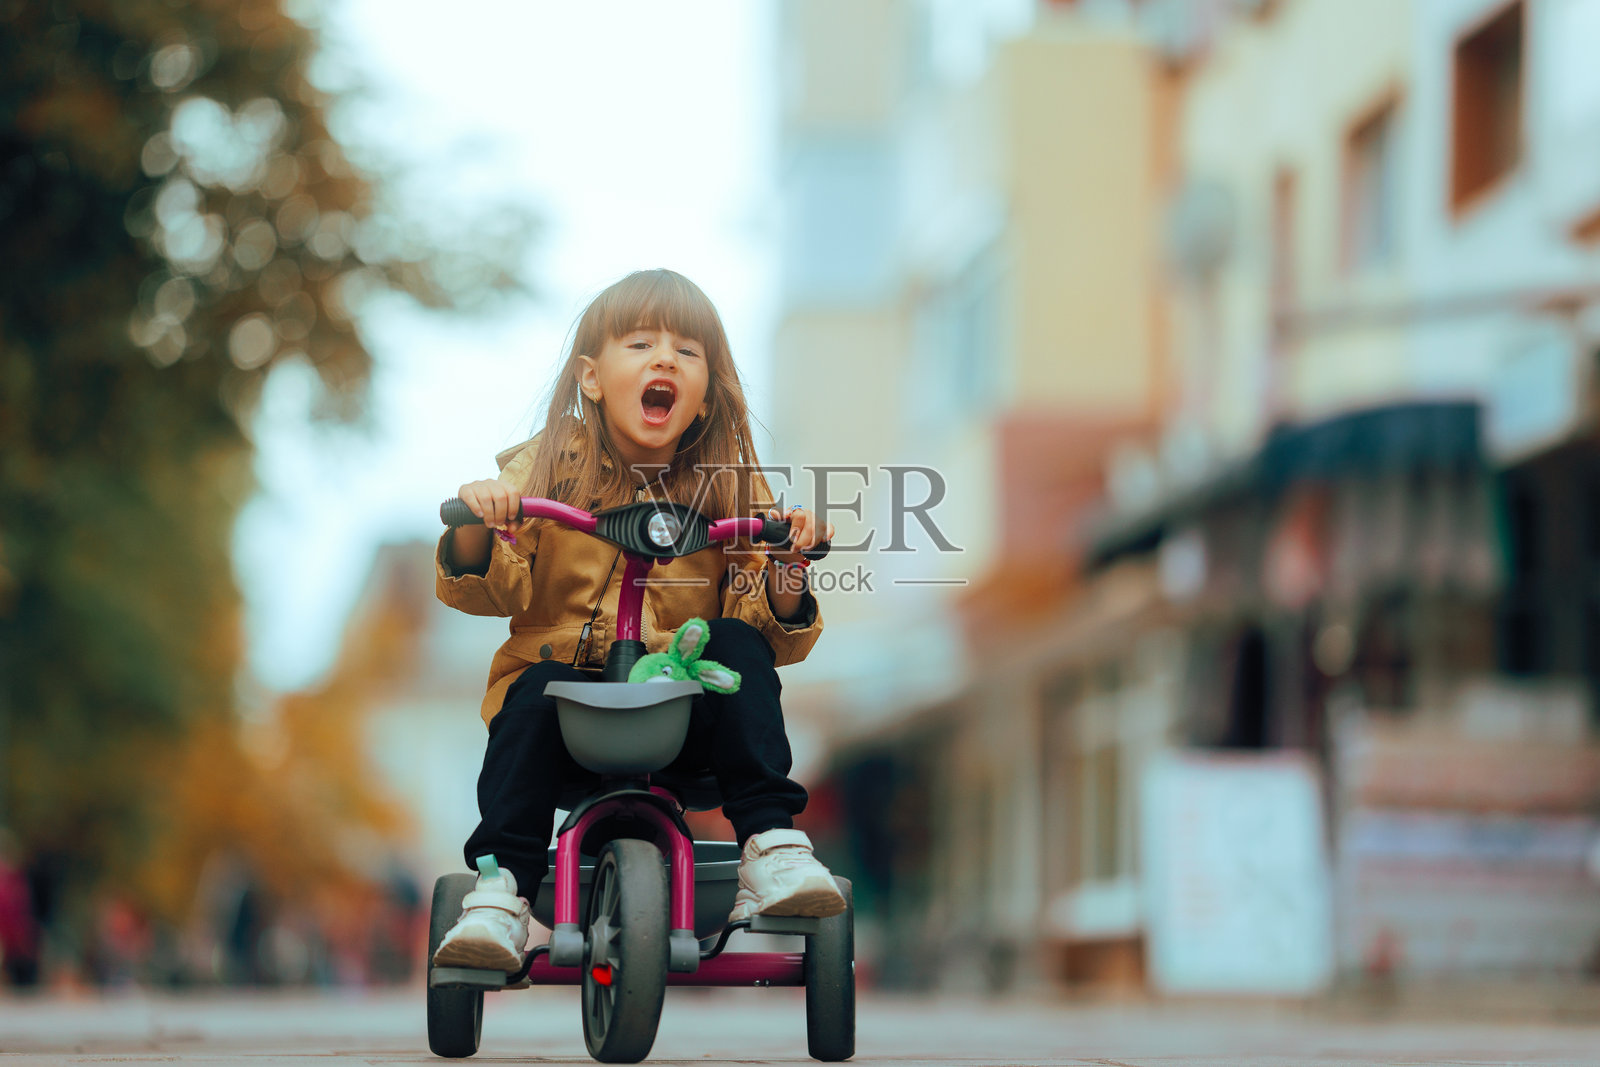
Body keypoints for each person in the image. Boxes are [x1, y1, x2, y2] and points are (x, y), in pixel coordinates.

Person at [431, 269, 847, 973]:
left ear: (706, 390)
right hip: (568, 721)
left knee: (739, 643)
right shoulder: (548, 466)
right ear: (592, 377)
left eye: (687, 351)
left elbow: (771, 629)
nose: (664, 360)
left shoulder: (732, 486)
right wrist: (481, 522)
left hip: (684, 718)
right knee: (533, 690)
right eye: (641, 342)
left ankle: (771, 842)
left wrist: (786, 569)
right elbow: (492, 585)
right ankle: (503, 890)